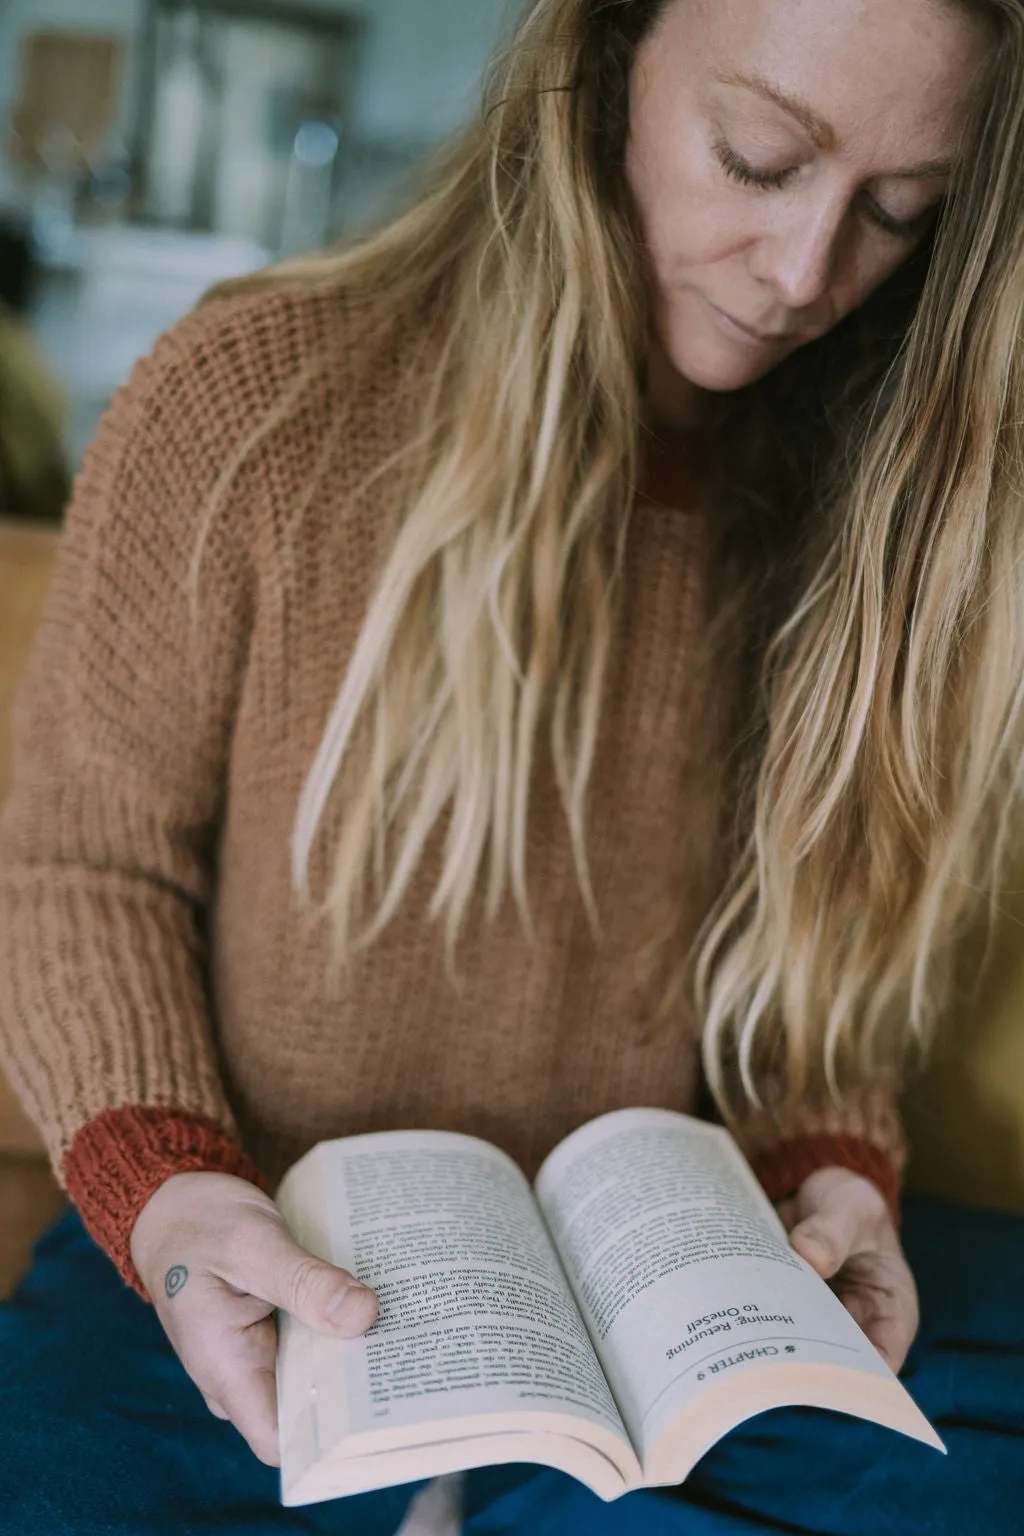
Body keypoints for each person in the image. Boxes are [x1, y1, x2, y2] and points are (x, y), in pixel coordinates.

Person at [0, 0, 1022, 1532]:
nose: (810, 275)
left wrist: (834, 1159)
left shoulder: (864, 502)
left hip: (657, 1293)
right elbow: (83, 865)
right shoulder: (249, 404)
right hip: (245, 1231)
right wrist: (166, 1192)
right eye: (756, 159)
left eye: (899, 213)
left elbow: (818, 936)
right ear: (607, 58)